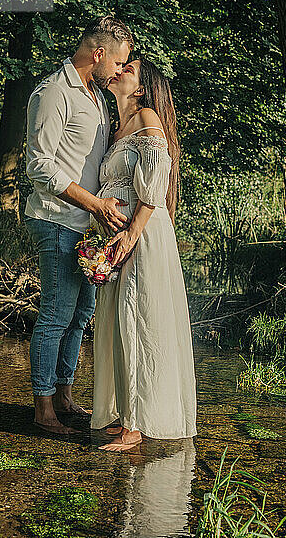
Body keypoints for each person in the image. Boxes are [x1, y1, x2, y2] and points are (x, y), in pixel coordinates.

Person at [24, 15, 134, 435]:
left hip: (87, 226)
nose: (122, 71)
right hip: (56, 221)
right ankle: (43, 409)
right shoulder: (54, 92)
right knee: (56, 312)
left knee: (82, 312)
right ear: (99, 53)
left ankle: (64, 395)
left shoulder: (97, 96)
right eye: (120, 63)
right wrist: (94, 203)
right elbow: (39, 165)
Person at [90, 56, 198, 451]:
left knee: (138, 320)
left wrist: (131, 234)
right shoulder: (116, 127)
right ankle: (123, 415)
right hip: (119, 237)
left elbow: (154, 184)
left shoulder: (147, 116)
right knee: (118, 322)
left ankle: (137, 426)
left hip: (143, 236)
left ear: (140, 87)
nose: (119, 70)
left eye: (129, 69)